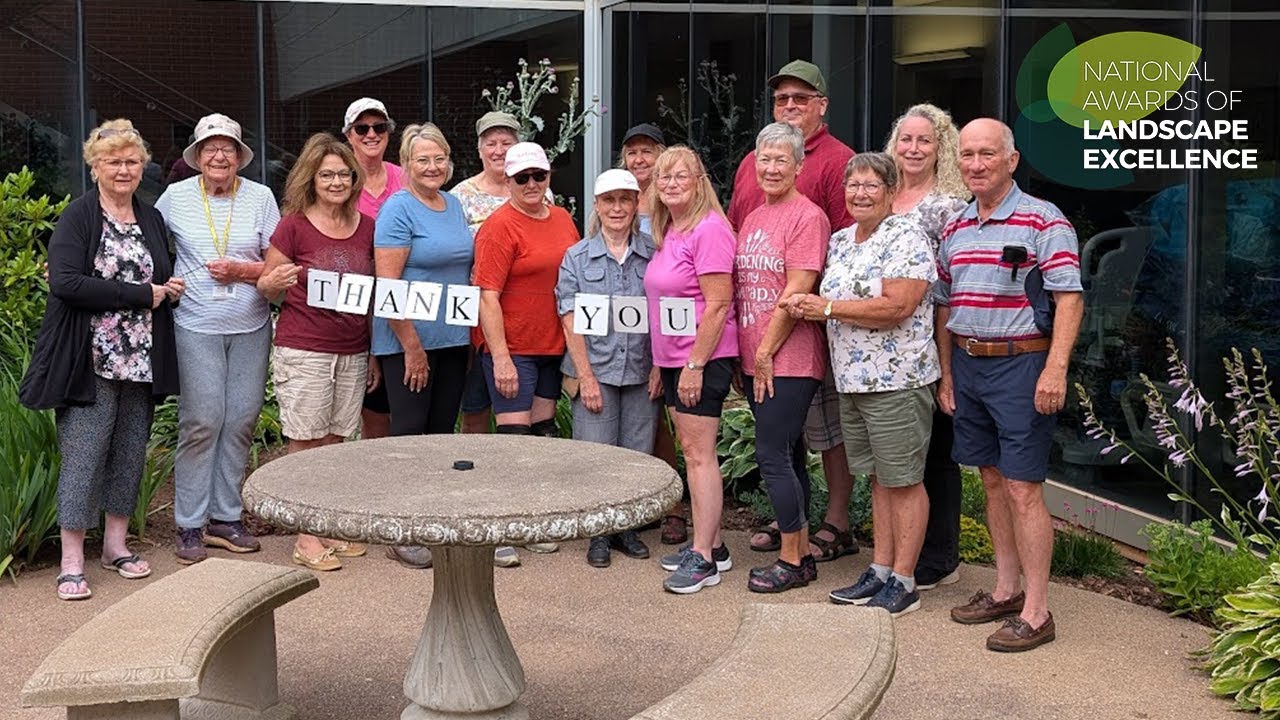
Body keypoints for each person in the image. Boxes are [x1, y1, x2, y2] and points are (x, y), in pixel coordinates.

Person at [21, 119, 184, 600]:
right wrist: (141, 294)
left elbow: (160, 273)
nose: (124, 169)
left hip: (140, 358)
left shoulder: (150, 217)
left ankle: (116, 545)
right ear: (95, 166)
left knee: (131, 450)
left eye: (132, 161)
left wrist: (167, 290)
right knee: (84, 455)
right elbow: (66, 283)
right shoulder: (79, 216)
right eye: (113, 161)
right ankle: (72, 561)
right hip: (87, 358)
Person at [936, 118, 1083, 651]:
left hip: (1023, 365)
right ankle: (1004, 589)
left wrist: (1056, 368)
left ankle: (1038, 612)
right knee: (992, 480)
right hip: (969, 365)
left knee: (1023, 487)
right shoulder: (955, 227)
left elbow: (1069, 297)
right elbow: (945, 305)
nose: (976, 164)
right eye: (968, 155)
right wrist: (948, 373)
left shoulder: (1044, 221)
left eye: (987, 155)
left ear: (1011, 160)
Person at [781, 152, 938, 617]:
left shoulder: (906, 234)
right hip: (852, 379)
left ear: (891, 192)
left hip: (897, 379)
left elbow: (898, 306)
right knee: (877, 479)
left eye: (872, 186)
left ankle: (905, 580)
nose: (861, 193)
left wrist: (825, 307)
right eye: (855, 185)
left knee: (904, 480)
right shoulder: (842, 239)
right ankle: (881, 568)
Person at [728, 60, 857, 563]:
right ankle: (794, 533)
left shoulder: (836, 165)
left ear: (821, 105)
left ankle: (826, 531)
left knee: (812, 440)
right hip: (756, 342)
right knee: (785, 451)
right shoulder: (751, 178)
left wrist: (766, 348)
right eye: (782, 99)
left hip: (806, 338)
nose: (790, 106)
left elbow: (837, 257)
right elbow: (743, 254)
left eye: (800, 99)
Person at [155, 113, 280, 565]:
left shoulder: (262, 197)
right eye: (210, 148)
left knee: (242, 418)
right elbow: (147, 243)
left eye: (227, 147)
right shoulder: (174, 197)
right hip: (195, 324)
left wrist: (244, 272)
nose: (219, 155)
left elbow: (277, 264)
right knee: (203, 420)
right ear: (197, 156)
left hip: (250, 323)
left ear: (240, 156)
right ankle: (190, 522)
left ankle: (225, 518)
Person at [257, 133, 378, 572]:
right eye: (326, 174)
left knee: (337, 439)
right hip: (305, 345)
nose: (335, 182)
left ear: (354, 178)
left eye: (343, 174)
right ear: (312, 177)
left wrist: (375, 354)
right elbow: (267, 284)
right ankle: (305, 535)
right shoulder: (293, 225)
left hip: (352, 347)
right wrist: (274, 283)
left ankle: (327, 525)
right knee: (305, 439)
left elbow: (374, 293)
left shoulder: (367, 226)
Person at [734, 123, 830, 593]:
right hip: (757, 358)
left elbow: (797, 292)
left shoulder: (807, 217)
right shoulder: (753, 216)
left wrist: (767, 351)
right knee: (788, 455)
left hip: (789, 359)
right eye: (764, 160)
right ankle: (800, 548)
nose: (771, 168)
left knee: (773, 455)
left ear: (799, 166)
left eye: (781, 160)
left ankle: (794, 560)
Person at [373, 123, 474, 569]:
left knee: (439, 433)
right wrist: (412, 346)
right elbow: (388, 286)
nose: (432, 167)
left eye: (439, 159)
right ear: (407, 164)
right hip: (408, 340)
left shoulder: (453, 205)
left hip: (452, 338)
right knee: (410, 433)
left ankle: (430, 523)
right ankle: (401, 529)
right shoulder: (398, 209)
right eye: (422, 160)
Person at [473, 141, 579, 563]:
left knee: (542, 437)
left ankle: (530, 523)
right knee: (513, 441)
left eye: (539, 176)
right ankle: (500, 529)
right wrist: (499, 356)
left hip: (551, 346)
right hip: (512, 347)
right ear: (508, 180)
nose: (532, 184)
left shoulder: (563, 218)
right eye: (522, 178)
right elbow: (487, 297)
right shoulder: (499, 227)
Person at [885, 103, 970, 591]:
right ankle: (898, 552)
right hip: (877, 352)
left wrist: (947, 361)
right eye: (906, 140)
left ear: (942, 150)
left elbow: (951, 287)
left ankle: (939, 554)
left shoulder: (947, 207)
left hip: (927, 343)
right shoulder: (881, 194)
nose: (913, 149)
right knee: (896, 460)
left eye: (924, 141)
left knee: (936, 453)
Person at [555, 169, 658, 568]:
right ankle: (599, 532)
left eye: (625, 200)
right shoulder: (577, 257)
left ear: (636, 205)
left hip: (641, 370)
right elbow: (569, 317)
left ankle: (626, 527)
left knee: (636, 454)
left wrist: (659, 368)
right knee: (596, 456)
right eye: (609, 200)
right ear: (597, 205)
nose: (617, 208)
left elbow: (664, 315)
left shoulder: (654, 252)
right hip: (594, 369)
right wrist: (585, 376)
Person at [646, 146, 738, 595]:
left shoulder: (710, 230)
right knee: (690, 450)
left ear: (700, 181)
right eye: (664, 177)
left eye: (681, 176)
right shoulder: (670, 230)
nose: (671, 183)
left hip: (701, 358)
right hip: (673, 359)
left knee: (700, 456)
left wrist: (694, 364)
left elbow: (718, 304)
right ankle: (714, 544)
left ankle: (702, 557)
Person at [620, 122, 686, 545]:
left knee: (676, 422)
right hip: (627, 327)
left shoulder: (672, 201)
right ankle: (638, 504)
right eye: (632, 153)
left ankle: (676, 509)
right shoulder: (617, 199)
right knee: (645, 420)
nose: (640, 160)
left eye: (647, 151)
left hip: (669, 323)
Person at [344, 97, 404, 442]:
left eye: (379, 127)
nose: (371, 134)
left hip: (399, 300)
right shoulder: (339, 180)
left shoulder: (404, 177)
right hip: (357, 303)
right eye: (361, 128)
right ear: (349, 135)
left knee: (405, 407)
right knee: (375, 410)